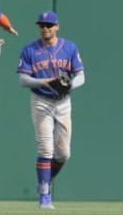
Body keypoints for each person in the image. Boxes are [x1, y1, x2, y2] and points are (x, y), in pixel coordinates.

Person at [16, 11, 85, 209]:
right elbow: (22, 80)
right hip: (41, 100)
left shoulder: (69, 48)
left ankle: (44, 180)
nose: (45, 28)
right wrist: (45, 81)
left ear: (57, 27)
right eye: (42, 25)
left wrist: (70, 85)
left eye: (49, 24)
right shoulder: (30, 50)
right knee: (45, 148)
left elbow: (81, 75)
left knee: (63, 154)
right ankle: (45, 195)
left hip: (63, 102)